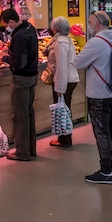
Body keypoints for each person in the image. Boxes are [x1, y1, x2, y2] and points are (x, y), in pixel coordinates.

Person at [73, 11, 112, 185]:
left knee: (102, 132)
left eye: (89, 22)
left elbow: (78, 63)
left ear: (96, 24)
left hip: (99, 95)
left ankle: (105, 171)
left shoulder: (96, 43)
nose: (88, 26)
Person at [0, 8, 39, 161]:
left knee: (20, 116)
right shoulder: (30, 28)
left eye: (6, 25)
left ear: (11, 22)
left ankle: (22, 152)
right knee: (29, 113)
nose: (6, 28)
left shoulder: (20, 36)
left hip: (21, 79)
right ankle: (31, 148)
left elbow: (20, 63)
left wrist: (5, 58)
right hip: (32, 76)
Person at [43, 16, 80, 147]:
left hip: (65, 80)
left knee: (63, 109)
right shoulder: (66, 40)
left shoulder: (60, 43)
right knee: (65, 108)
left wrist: (59, 88)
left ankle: (65, 139)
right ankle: (64, 137)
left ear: (56, 28)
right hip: (68, 79)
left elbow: (62, 66)